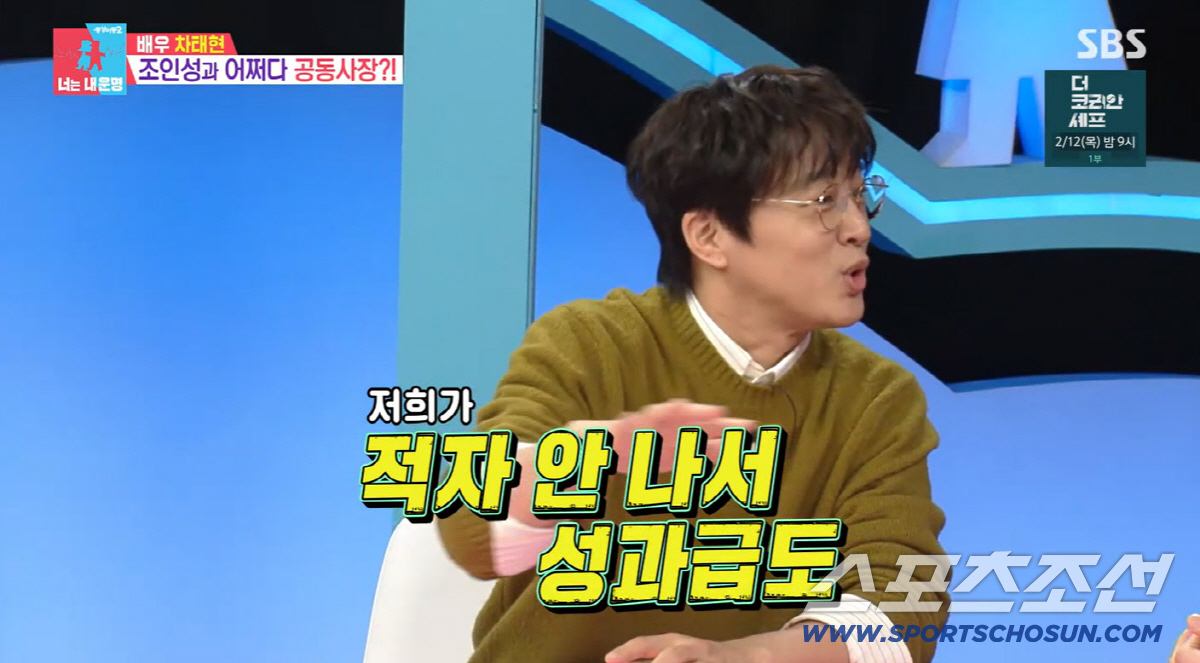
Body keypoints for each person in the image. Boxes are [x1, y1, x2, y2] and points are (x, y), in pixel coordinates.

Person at [436, 64, 949, 663]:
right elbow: (472, 529)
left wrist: (740, 658)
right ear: (709, 236)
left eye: (860, 197)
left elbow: (902, 606)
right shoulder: (588, 344)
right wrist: (594, 454)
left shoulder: (877, 397)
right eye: (823, 202)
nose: (859, 229)